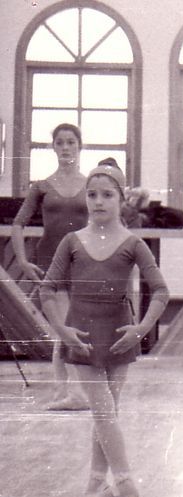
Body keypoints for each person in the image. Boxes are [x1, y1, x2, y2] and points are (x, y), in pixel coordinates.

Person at [39, 163, 169, 497]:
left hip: (118, 334)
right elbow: (47, 289)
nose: (98, 201)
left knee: (107, 411)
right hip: (81, 334)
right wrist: (61, 329)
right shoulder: (72, 241)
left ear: (121, 199)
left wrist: (141, 328)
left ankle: (97, 483)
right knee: (103, 411)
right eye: (92, 194)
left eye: (107, 195)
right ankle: (124, 482)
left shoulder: (132, 242)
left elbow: (160, 291)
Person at [12, 123, 89, 410]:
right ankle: (68, 392)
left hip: (82, 262)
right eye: (60, 143)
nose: (66, 147)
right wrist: (22, 261)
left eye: (71, 142)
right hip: (50, 262)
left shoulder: (91, 184)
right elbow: (18, 224)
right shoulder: (41, 187)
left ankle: (72, 392)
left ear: (80, 146)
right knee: (63, 328)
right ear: (53, 147)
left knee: (79, 326)